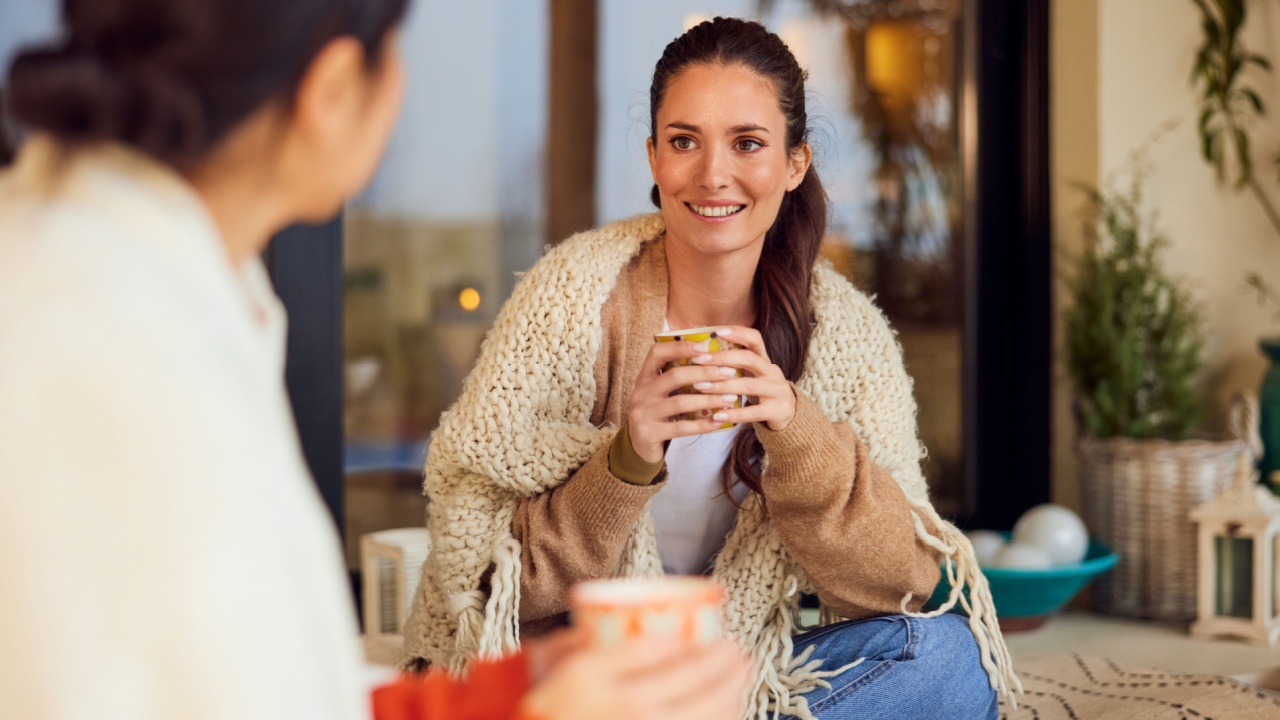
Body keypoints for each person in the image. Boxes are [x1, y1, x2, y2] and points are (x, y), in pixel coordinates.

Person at [0, 1, 749, 719]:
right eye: (395, 52)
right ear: (330, 91)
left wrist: (514, 691)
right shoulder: (114, 348)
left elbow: (272, 693)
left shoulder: (155, 278)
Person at [402, 16, 1021, 720]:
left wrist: (797, 431)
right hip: (579, 677)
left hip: (735, 677)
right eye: (684, 141)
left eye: (748, 143)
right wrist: (626, 461)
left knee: (944, 658)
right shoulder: (573, 299)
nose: (712, 174)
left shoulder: (847, 337)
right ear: (653, 157)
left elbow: (905, 582)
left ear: (795, 164)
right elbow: (483, 586)